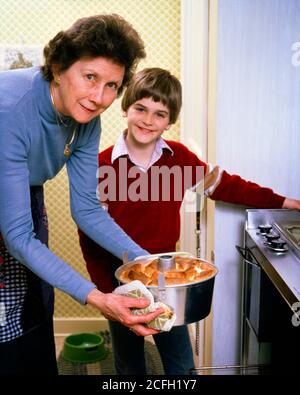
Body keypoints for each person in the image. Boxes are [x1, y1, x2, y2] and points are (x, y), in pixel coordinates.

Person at [78, 67, 300, 375]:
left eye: (159, 114)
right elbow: (89, 234)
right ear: (125, 106)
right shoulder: (101, 164)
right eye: (141, 108)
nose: (147, 120)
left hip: (169, 282)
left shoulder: (180, 158)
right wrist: (105, 289)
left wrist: (286, 203)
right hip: (120, 283)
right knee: (129, 363)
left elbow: (227, 185)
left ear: (170, 121)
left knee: (181, 364)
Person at [0, 15, 165, 376]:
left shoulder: (87, 118)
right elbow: (17, 238)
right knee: (5, 326)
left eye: (111, 86)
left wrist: (147, 263)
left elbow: (88, 210)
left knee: (36, 310)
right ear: (59, 68)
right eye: (90, 77)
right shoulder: (10, 109)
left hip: (25, 193)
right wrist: (99, 298)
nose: (99, 98)